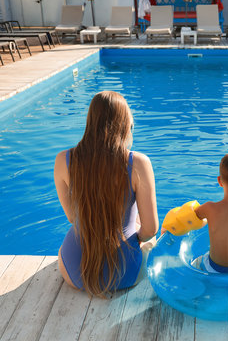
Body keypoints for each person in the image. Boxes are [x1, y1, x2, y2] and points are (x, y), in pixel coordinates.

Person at [55, 91, 159, 297]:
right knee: (148, 239)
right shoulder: (138, 163)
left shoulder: (63, 160)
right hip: (125, 272)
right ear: (123, 124)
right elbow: (151, 228)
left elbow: (72, 217)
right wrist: (134, 236)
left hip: (75, 270)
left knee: (69, 241)